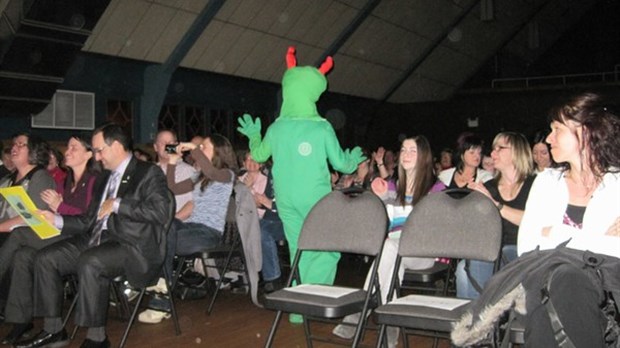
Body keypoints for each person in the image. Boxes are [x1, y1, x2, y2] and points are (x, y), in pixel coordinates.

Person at [15, 123, 172, 348]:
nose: (97, 157)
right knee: (45, 258)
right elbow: (88, 220)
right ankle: (53, 330)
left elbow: (160, 212)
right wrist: (56, 220)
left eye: (99, 150)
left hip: (131, 243)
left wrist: (118, 204)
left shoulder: (147, 172)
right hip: (98, 238)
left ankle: (97, 339)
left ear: (116, 146)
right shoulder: (104, 178)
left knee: (92, 261)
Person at [237, 47, 364, 323]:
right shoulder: (321, 128)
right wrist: (353, 160)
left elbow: (258, 156)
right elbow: (342, 164)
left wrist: (254, 135)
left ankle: (297, 310)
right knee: (326, 248)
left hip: (286, 201)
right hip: (315, 200)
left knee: (297, 248)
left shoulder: (277, 127)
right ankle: (316, 300)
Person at [517, 92, 620, 346]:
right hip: (546, 280)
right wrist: (597, 241)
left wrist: (556, 233)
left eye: (557, 130)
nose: (549, 138)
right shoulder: (546, 183)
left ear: (584, 133)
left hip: (606, 289)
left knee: (565, 282)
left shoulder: (617, 184)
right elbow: (527, 248)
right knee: (563, 279)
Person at [333, 136, 444, 347]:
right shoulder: (393, 185)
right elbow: (389, 223)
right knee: (392, 256)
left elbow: (431, 228)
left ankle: (360, 310)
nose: (406, 154)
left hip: (423, 252)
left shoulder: (436, 189)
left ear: (424, 156)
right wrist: (383, 199)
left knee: (390, 248)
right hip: (395, 250)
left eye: (413, 150)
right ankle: (389, 326)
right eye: (404, 150)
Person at [1, 134, 102, 345]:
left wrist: (60, 208)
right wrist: (59, 211)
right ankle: (23, 321)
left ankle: (53, 330)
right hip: (62, 233)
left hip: (81, 238)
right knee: (23, 255)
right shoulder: (68, 181)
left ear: (88, 154)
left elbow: (89, 217)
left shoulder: (94, 180)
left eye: (74, 147)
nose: (67, 151)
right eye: (68, 147)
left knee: (20, 235)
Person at [138, 134, 237, 324]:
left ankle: (161, 293)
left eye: (204, 147)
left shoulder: (226, 174)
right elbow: (172, 188)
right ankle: (162, 287)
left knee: (166, 232)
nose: (199, 150)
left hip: (208, 234)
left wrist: (193, 147)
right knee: (164, 225)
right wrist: (173, 162)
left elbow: (213, 173)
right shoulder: (199, 176)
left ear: (218, 152)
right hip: (189, 227)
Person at [456, 132, 535, 299]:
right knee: (464, 269)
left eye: (500, 148)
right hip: (493, 250)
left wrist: (495, 204)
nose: (492, 154)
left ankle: (480, 321)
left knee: (480, 262)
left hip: (523, 249)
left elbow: (533, 221)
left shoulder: (534, 185)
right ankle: (478, 320)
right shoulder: (489, 187)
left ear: (517, 152)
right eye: (493, 149)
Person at [0, 134, 55, 321]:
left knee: (18, 251)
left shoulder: (40, 177)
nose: (14, 147)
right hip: (8, 234)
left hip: (30, 234)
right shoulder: (7, 179)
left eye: (21, 144)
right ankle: (15, 318)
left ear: (33, 151)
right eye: (14, 143)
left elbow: (32, 218)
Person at [239, 154, 285, 293]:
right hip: (257, 219)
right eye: (248, 159)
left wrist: (266, 203)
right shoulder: (238, 179)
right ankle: (248, 277)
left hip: (276, 219)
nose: (252, 162)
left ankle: (271, 278)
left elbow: (263, 204)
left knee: (259, 231)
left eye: (256, 160)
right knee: (253, 230)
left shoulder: (270, 177)